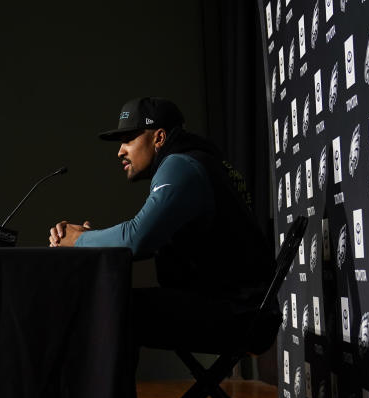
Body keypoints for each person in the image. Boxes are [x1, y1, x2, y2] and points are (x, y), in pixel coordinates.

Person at [49, 97, 275, 352]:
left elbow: (136, 239)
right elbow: (146, 236)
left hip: (236, 314)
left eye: (129, 138)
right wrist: (94, 240)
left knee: (107, 309)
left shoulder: (181, 165)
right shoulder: (200, 160)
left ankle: (100, 394)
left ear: (159, 138)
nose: (120, 151)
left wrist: (78, 240)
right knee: (116, 305)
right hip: (242, 308)